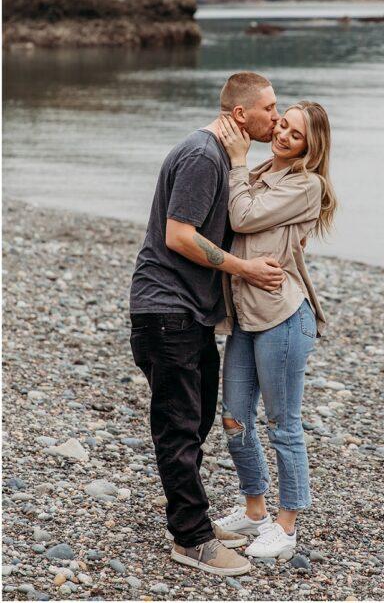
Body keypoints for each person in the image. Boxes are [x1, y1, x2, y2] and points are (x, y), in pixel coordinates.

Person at [129, 72, 286, 576]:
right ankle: (191, 539)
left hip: (185, 313)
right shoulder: (202, 155)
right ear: (241, 114)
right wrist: (245, 270)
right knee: (178, 427)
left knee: (194, 424)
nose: (277, 118)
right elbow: (178, 235)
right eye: (269, 108)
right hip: (165, 310)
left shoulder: (222, 155)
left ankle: (190, 521)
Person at [209, 101, 335, 559]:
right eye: (283, 123)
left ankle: (287, 524)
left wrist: (238, 161)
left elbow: (241, 218)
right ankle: (255, 509)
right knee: (234, 418)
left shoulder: (308, 184)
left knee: (283, 424)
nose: (282, 134)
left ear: (310, 146)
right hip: (246, 312)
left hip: (283, 316)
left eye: (296, 134)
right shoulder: (262, 172)